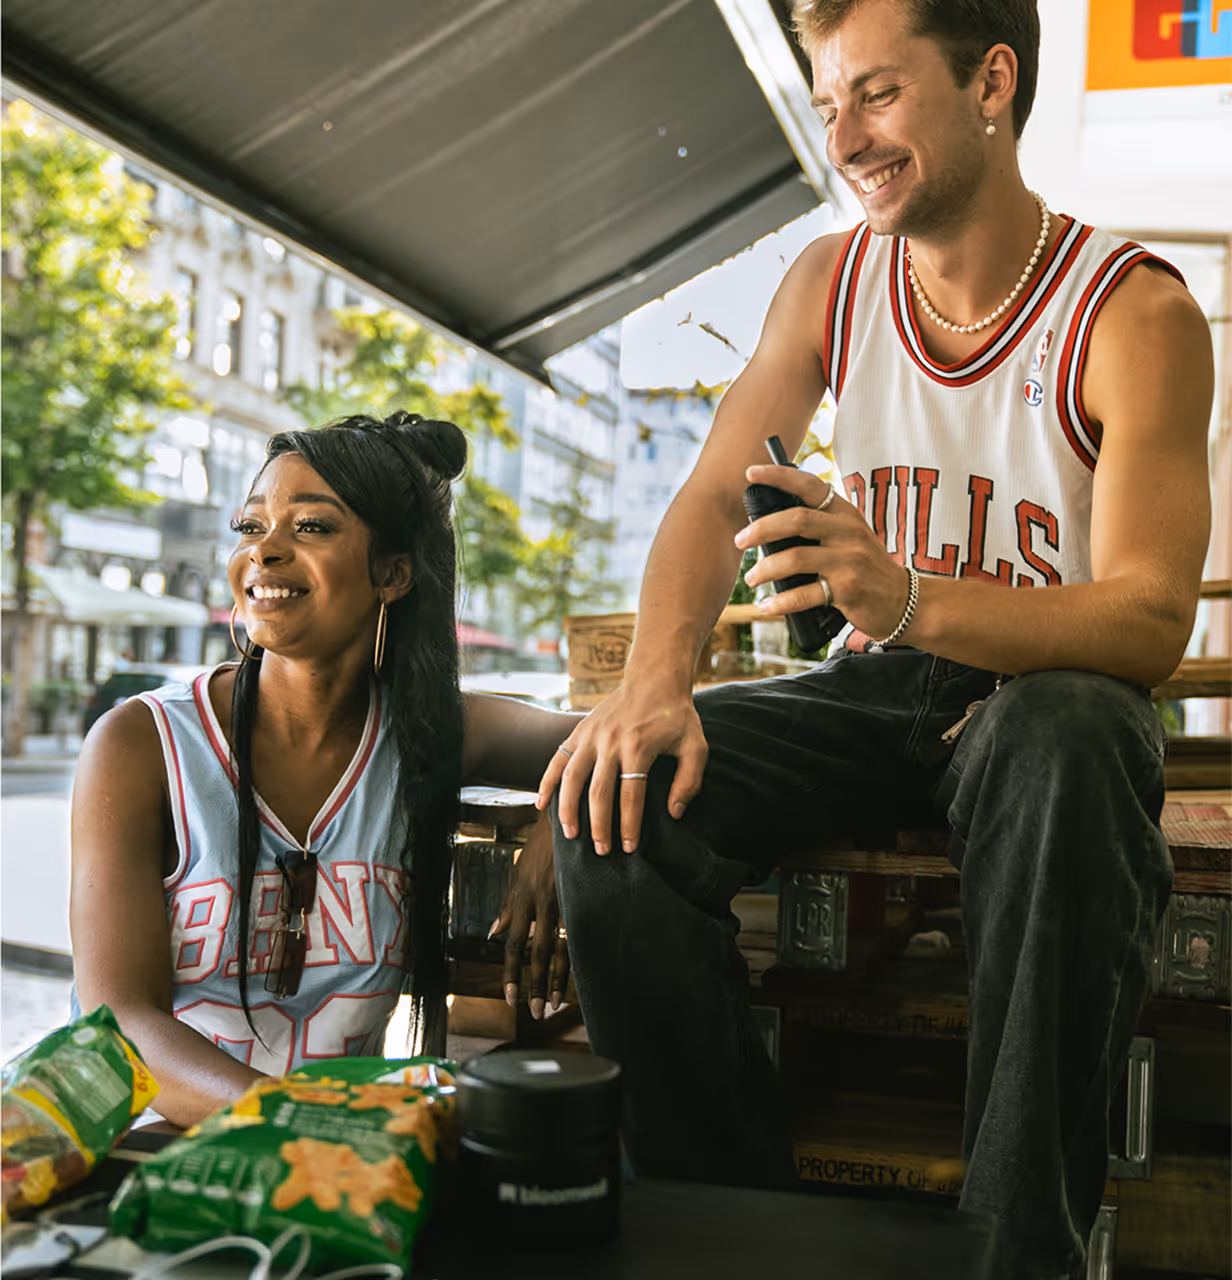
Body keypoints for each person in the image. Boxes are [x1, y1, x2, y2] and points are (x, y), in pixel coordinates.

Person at [494, 2, 1214, 1276]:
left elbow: (1150, 618)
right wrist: (652, 687)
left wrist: (912, 596)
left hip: (1042, 698)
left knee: (1070, 730)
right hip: (879, 687)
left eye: (874, 95)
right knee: (616, 793)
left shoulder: (1132, 311)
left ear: (990, 80)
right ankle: (734, 1232)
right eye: (828, 104)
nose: (844, 136)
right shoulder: (831, 278)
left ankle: (1011, 1250)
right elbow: (714, 492)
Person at [70, 411, 576, 1129]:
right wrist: (309, 1119)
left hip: (337, 1186)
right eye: (250, 527)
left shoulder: (433, 731)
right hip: (149, 1169)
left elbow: (626, 743)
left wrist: (559, 820)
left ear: (393, 573)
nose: (264, 552)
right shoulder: (139, 743)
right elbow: (119, 1024)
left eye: (310, 527)